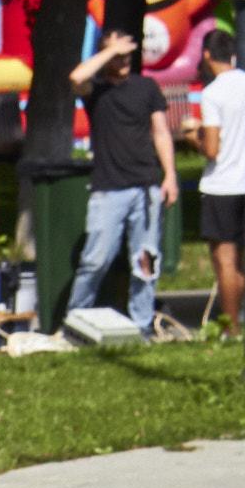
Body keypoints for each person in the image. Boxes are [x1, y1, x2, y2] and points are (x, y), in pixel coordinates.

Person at [65, 30, 176, 336]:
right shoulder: (96, 90)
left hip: (146, 187)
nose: (124, 59)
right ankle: (76, 321)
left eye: (127, 53)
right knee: (95, 260)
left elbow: (161, 132)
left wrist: (170, 175)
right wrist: (108, 51)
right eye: (117, 54)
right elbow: (77, 77)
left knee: (145, 262)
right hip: (108, 188)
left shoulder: (146, 87)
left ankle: (142, 326)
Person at [187, 29, 245, 337]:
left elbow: (212, 150)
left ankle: (232, 328)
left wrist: (194, 138)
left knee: (225, 260)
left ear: (208, 56)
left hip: (222, 183)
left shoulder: (213, 93)